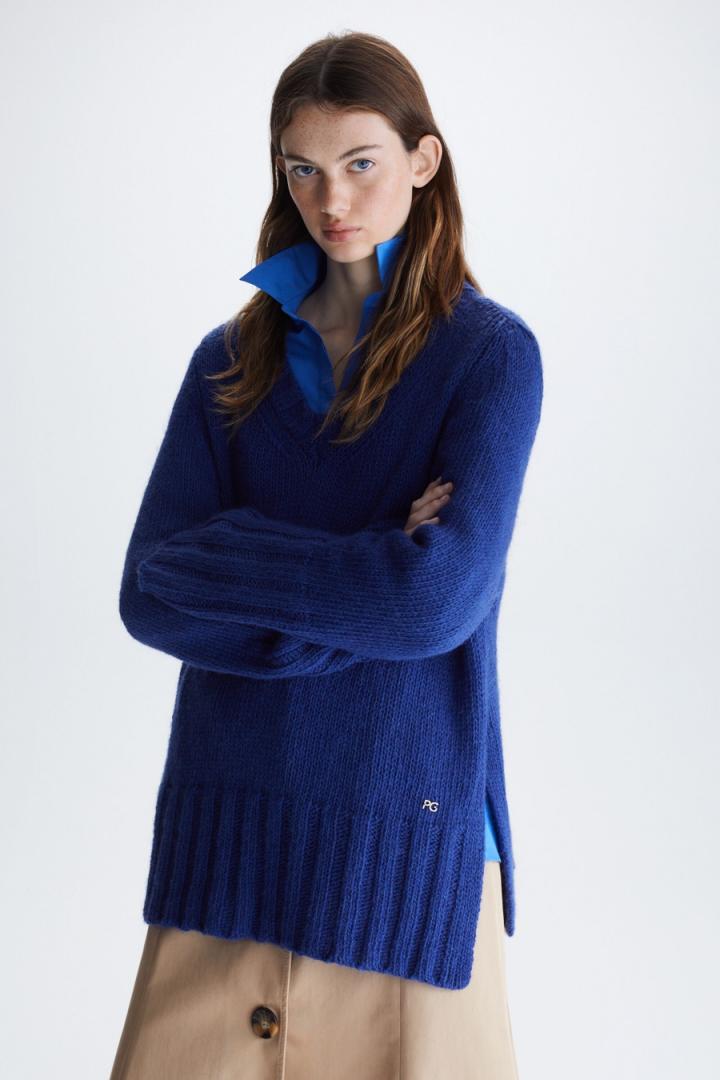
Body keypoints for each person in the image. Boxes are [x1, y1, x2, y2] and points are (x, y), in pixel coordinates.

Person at [110, 29, 542, 1080]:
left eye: (360, 162)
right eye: (301, 169)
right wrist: (375, 558)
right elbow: (151, 592)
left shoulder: (489, 357)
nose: (330, 199)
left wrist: (236, 564)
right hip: (228, 825)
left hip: (402, 841)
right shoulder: (228, 362)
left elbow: (434, 605)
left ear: (423, 162)